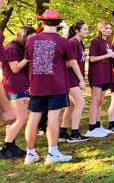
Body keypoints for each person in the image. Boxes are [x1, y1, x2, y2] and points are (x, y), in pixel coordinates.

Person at [23, 10, 76, 164]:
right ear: (59, 23)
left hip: (36, 84)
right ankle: (52, 152)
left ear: (42, 22)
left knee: (34, 117)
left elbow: (28, 59)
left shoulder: (31, 40)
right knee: (53, 116)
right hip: (57, 84)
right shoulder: (64, 41)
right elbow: (71, 62)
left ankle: (30, 153)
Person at [1, 26, 36, 158]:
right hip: (14, 86)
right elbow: (15, 68)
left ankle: (11, 145)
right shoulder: (11, 48)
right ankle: (6, 148)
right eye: (30, 38)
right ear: (23, 36)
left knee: (15, 118)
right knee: (23, 117)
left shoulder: (22, 48)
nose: (32, 41)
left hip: (22, 85)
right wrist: (27, 57)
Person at [86, 20, 114, 138]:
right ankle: (91, 126)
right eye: (106, 28)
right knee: (95, 100)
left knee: (100, 101)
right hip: (97, 73)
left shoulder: (109, 43)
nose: (108, 30)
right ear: (100, 29)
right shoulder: (95, 41)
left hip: (106, 73)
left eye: (110, 28)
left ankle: (98, 124)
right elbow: (92, 58)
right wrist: (108, 55)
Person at [59, 21, 90, 142]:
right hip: (71, 78)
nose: (87, 31)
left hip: (75, 78)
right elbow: (72, 62)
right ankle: (74, 134)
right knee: (80, 103)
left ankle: (62, 131)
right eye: (85, 29)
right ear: (77, 30)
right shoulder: (72, 42)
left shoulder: (80, 43)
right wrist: (81, 80)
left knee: (72, 105)